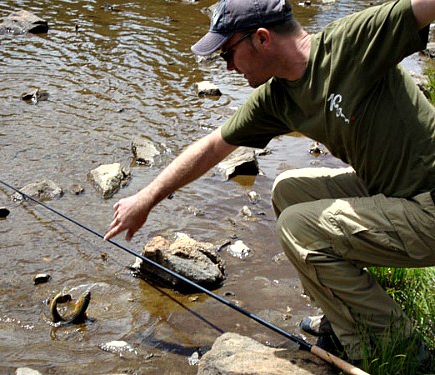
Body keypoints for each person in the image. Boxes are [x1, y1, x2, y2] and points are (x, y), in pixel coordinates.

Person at [104, 0, 435, 367]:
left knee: (299, 228)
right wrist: (147, 198)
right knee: (289, 191)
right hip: (394, 195)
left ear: (261, 39)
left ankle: (398, 349)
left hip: (429, 205)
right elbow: (214, 146)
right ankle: (343, 315)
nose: (227, 66)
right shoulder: (278, 98)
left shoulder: (353, 41)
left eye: (228, 52)